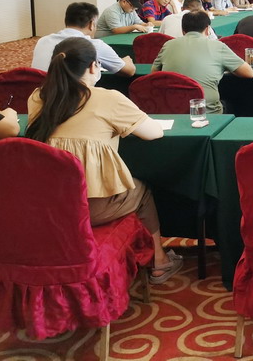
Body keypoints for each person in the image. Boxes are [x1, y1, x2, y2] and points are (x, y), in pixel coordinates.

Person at [25, 37, 182, 284]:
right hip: (90, 206)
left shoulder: (37, 97)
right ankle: (159, 261)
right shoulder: (107, 98)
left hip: (46, 203)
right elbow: (153, 132)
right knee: (141, 190)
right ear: (92, 66)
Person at [152, 11, 253, 113]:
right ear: (207, 29)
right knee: (235, 104)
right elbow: (248, 72)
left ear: (183, 30)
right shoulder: (218, 46)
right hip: (207, 111)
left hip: (171, 110)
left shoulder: (168, 45)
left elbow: (154, 75)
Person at [33, 2, 135, 76]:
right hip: (72, 97)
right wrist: (125, 61)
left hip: (37, 95)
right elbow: (129, 71)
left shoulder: (43, 40)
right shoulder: (94, 45)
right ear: (91, 24)